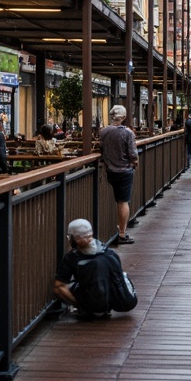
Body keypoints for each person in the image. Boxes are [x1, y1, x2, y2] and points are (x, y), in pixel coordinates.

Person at [52, 219, 108, 318]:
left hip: (91, 300)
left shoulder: (72, 257)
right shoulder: (106, 250)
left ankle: (84, 308)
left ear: (74, 239)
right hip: (109, 298)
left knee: (59, 287)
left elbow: (59, 285)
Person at [100, 104, 138, 243]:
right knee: (123, 201)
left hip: (109, 169)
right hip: (124, 170)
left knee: (117, 199)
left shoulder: (103, 132)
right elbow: (133, 153)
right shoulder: (128, 133)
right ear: (123, 117)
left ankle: (116, 227)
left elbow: (101, 148)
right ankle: (122, 233)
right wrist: (135, 161)